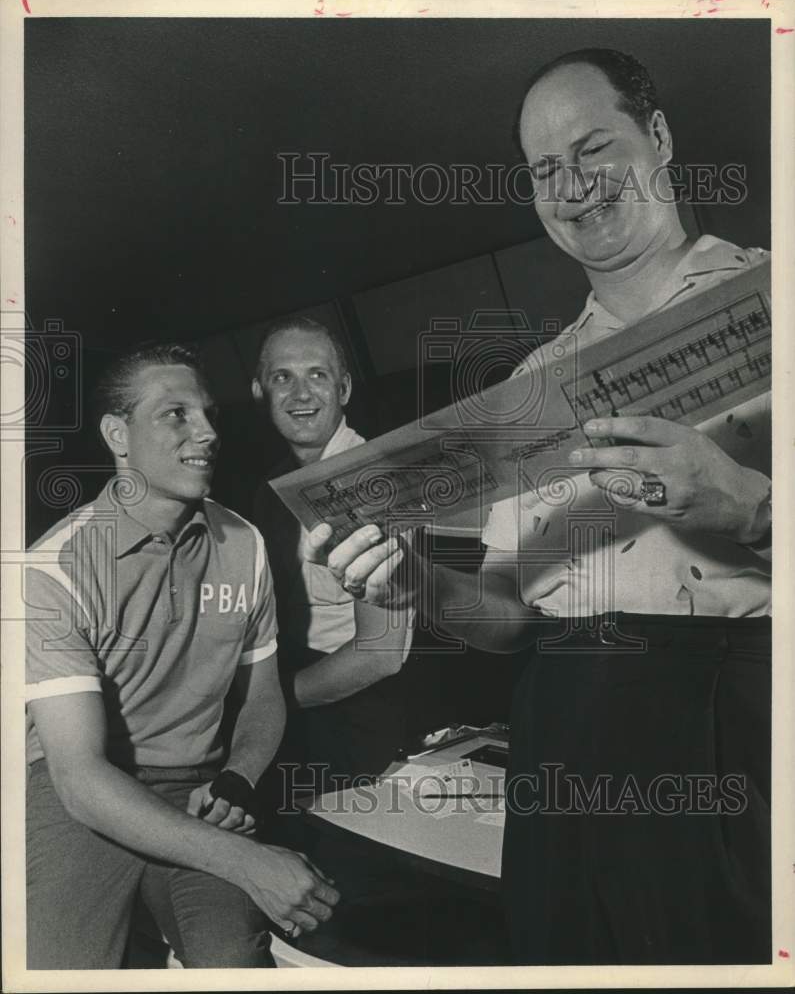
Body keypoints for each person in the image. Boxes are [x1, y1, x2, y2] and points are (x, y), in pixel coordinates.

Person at [305, 49, 772, 965]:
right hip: (559, 726)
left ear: (661, 139)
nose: (571, 187)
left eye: (592, 147)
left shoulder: (774, 300)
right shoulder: (529, 387)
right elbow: (509, 624)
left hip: (726, 722)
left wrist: (750, 505)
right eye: (543, 170)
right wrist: (416, 582)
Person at [25, 341, 339, 970]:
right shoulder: (52, 568)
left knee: (234, 963)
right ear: (118, 433)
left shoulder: (240, 540)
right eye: (175, 414)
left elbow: (262, 696)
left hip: (195, 788)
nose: (206, 432)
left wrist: (238, 778)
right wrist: (251, 860)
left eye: (208, 414)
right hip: (74, 796)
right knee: (62, 974)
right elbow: (80, 778)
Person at [251, 316, 412, 795]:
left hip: (357, 711)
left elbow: (379, 656)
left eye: (317, 375)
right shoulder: (270, 489)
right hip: (295, 689)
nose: (301, 394)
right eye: (283, 377)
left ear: (343, 389)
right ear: (259, 390)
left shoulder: (373, 484)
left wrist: (262, 705)